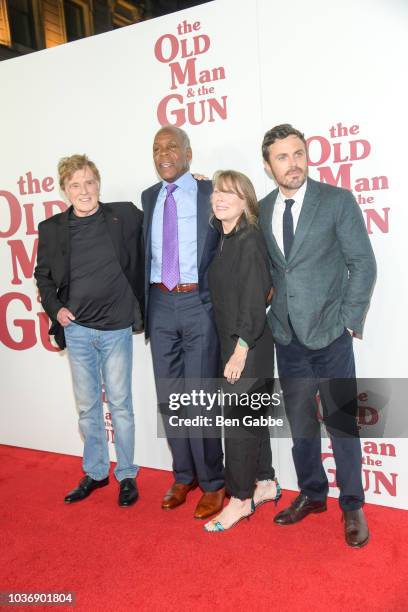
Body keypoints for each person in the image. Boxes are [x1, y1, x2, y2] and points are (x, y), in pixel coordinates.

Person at [259, 124, 376, 547]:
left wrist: (347, 321)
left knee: (342, 424)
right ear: (269, 165)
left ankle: (352, 504)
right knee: (302, 424)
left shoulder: (336, 201)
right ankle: (312, 493)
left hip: (330, 335)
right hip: (287, 338)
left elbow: (363, 264)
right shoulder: (264, 207)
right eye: (283, 157)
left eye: (298, 154)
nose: (294, 163)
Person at [34, 154, 144, 507]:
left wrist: (197, 188)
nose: (84, 191)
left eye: (89, 182)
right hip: (78, 331)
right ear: (65, 190)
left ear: (99, 183)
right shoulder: (51, 228)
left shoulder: (123, 215)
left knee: (122, 405)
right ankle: (96, 472)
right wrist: (56, 309)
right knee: (87, 409)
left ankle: (126, 474)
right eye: (75, 185)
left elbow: (162, 218)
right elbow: (44, 276)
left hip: (116, 330)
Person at [142, 126, 225, 519]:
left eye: (172, 146)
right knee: (171, 395)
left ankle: (212, 482)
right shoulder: (148, 197)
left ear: (188, 153)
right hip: (159, 301)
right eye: (157, 148)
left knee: (201, 396)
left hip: (198, 302)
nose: (164, 153)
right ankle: (183, 474)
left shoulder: (211, 192)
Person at [204, 170, 280, 532]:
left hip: (247, 346)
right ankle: (265, 482)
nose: (220, 198)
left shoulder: (248, 239)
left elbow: (254, 300)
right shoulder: (225, 237)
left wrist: (240, 350)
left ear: (246, 201)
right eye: (217, 192)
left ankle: (239, 499)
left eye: (230, 194)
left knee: (237, 426)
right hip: (235, 343)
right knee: (252, 420)